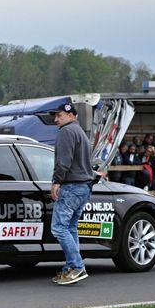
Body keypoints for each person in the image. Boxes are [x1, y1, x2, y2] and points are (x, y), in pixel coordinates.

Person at [49, 102, 94, 286]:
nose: (56, 119)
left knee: (59, 228)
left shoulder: (66, 132)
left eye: (59, 115)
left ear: (70, 115)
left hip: (71, 186)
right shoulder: (80, 132)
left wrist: (56, 181)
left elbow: (63, 162)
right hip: (84, 186)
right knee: (70, 227)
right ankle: (71, 268)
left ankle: (76, 266)